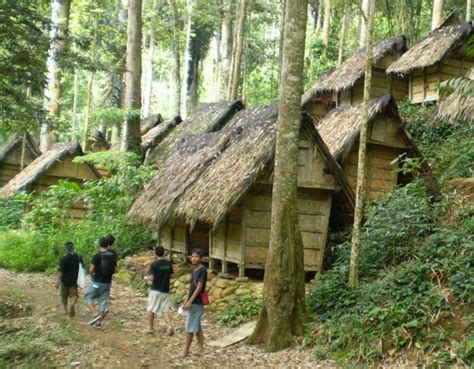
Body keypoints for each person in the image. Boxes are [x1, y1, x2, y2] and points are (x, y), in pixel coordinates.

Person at [84, 237, 117, 328]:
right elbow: (115, 270)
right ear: (108, 245)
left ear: (99, 244)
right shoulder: (113, 255)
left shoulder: (96, 255)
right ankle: (98, 323)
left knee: (88, 297)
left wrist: (91, 276)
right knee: (103, 301)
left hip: (96, 281)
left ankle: (95, 314)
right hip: (107, 283)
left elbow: (91, 269)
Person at [182, 248, 207, 358]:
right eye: (192, 257)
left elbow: (199, 287)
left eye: (196, 257)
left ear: (200, 258)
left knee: (190, 328)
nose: (193, 259)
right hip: (192, 302)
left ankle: (186, 350)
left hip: (197, 303)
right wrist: (186, 300)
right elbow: (191, 287)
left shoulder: (202, 271)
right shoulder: (194, 271)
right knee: (196, 327)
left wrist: (191, 301)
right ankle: (201, 349)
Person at [144, 246, 174, 335]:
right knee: (165, 309)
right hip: (165, 289)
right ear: (163, 252)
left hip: (155, 289)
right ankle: (169, 325)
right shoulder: (168, 263)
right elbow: (171, 275)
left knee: (151, 309)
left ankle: (150, 328)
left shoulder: (154, 264)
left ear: (155, 253)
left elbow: (152, 278)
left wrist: (146, 278)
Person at [56, 242, 83, 318]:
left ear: (66, 248)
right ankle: (72, 305)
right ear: (73, 247)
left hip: (64, 281)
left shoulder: (64, 258)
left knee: (63, 296)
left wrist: (58, 282)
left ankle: (65, 310)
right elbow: (82, 267)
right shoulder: (78, 257)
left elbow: (61, 271)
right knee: (74, 295)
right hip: (73, 281)